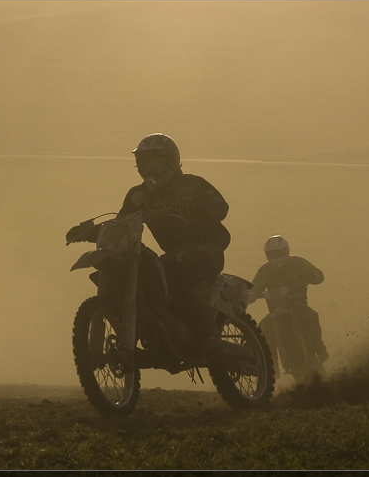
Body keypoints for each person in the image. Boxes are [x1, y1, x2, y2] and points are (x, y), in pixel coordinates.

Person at [69, 133, 231, 356]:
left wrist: (196, 207)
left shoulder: (192, 184)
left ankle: (209, 332)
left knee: (180, 263)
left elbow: (221, 207)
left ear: (171, 161)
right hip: (173, 252)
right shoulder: (138, 195)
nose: (149, 171)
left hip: (207, 247)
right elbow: (122, 223)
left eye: (154, 164)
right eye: (143, 165)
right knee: (155, 264)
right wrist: (90, 232)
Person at [248, 235, 328, 364]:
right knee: (263, 327)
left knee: (311, 316)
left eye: (279, 252)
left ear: (286, 250)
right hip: (275, 311)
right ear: (267, 254)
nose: (277, 256)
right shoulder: (265, 270)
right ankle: (271, 364)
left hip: (298, 306)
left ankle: (320, 348)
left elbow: (318, 274)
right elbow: (254, 287)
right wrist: (249, 295)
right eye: (273, 253)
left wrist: (313, 277)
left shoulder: (298, 263)